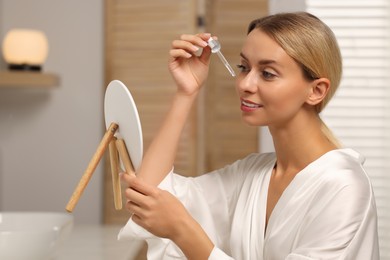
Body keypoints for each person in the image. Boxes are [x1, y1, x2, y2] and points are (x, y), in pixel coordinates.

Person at [118, 12, 380, 259]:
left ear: (316, 90)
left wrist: (183, 230)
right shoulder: (253, 173)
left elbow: (174, 219)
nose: (245, 84)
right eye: (243, 67)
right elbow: (149, 194)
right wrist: (186, 93)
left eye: (267, 73)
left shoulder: (343, 187)